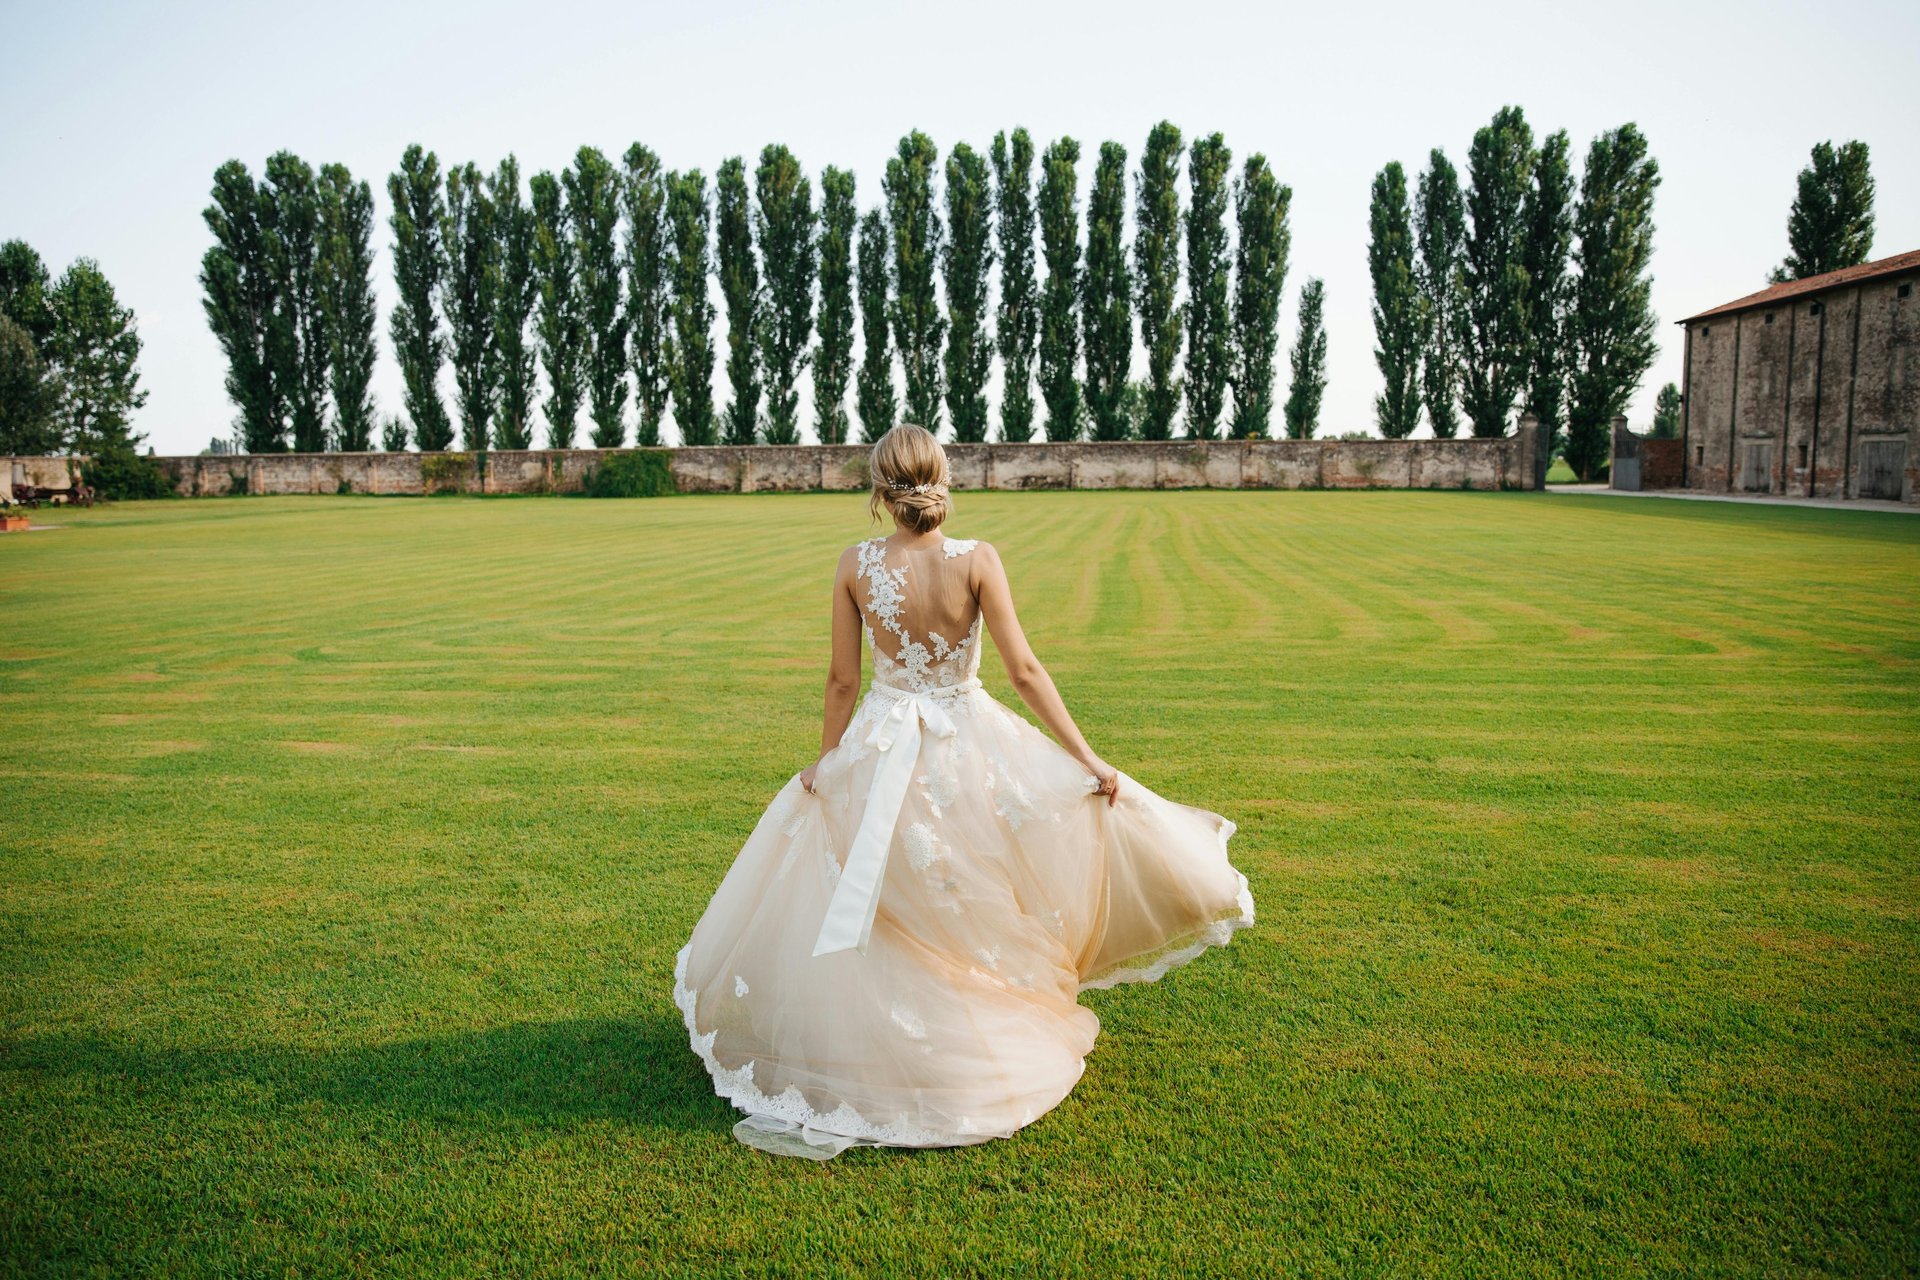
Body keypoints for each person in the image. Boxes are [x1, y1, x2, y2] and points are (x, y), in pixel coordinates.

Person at [673, 423, 1255, 1159]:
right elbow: (1025, 672)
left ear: (879, 489)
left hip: (882, 746)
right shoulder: (977, 560)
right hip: (965, 743)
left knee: (888, 896)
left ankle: (893, 1038)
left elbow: (843, 680)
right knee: (965, 890)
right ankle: (967, 1031)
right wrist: (1087, 758)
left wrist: (828, 763)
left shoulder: (855, 565)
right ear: (941, 478)